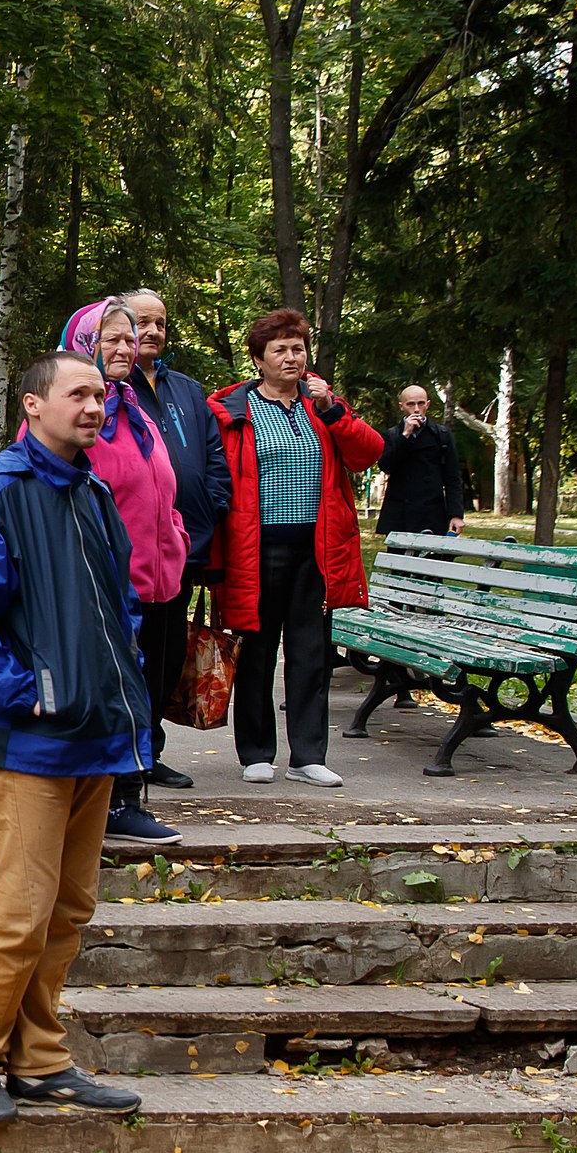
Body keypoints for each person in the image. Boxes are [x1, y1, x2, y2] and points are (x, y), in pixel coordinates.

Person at [0, 350, 151, 1125]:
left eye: (101, 395)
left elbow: (119, 608)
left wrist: (119, 690)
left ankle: (41, 1059)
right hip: (25, 741)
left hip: (95, 735)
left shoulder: (92, 493)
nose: (94, 406)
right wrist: (33, 697)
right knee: (21, 909)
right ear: (32, 406)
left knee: (70, 908)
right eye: (78, 394)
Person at [210, 308, 382, 787]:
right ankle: (256, 753)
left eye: (298, 348)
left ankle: (308, 755)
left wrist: (332, 409)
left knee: (311, 653)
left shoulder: (322, 405)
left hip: (318, 551)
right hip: (255, 549)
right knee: (258, 650)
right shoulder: (232, 409)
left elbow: (368, 453)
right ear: (259, 359)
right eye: (280, 350)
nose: (292, 357)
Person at [64, 299, 190, 844]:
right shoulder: (68, 413)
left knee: (148, 692)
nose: (122, 348)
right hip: (107, 584)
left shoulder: (134, 407)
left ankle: (125, 794)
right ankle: (117, 804)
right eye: (110, 338)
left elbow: (161, 488)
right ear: (85, 341)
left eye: (128, 338)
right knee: (117, 693)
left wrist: (178, 535)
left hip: (161, 579)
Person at [121, 290, 231, 788]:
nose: (153, 331)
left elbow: (212, 455)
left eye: (161, 322)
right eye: (142, 322)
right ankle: (123, 753)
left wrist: (213, 509)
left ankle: (151, 749)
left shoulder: (187, 389)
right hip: (128, 551)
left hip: (183, 546)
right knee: (131, 653)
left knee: (166, 655)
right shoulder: (110, 388)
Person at [375, 384, 468, 538]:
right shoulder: (392, 435)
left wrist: (456, 515)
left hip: (432, 513)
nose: (416, 409)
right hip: (400, 514)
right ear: (402, 407)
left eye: (421, 403)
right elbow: (386, 466)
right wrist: (405, 435)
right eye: (411, 404)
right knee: (399, 560)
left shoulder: (441, 435)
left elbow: (452, 478)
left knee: (432, 560)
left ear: (427, 405)